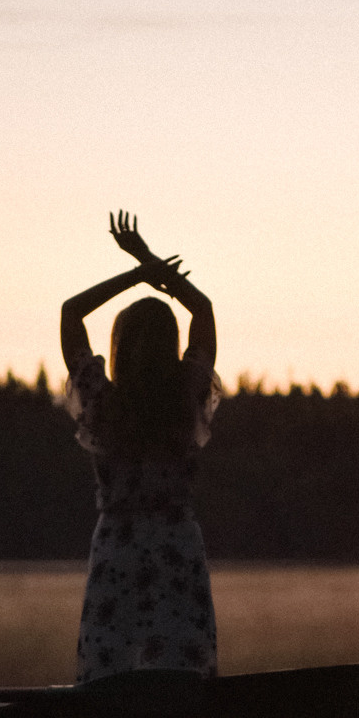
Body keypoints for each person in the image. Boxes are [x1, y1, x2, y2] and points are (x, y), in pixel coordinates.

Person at [61, 213, 221, 684]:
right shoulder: (185, 398)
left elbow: (71, 312)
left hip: (119, 552)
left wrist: (136, 274)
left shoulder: (103, 404)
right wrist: (152, 264)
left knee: (111, 678)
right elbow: (204, 310)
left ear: (119, 348)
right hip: (177, 549)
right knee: (181, 678)